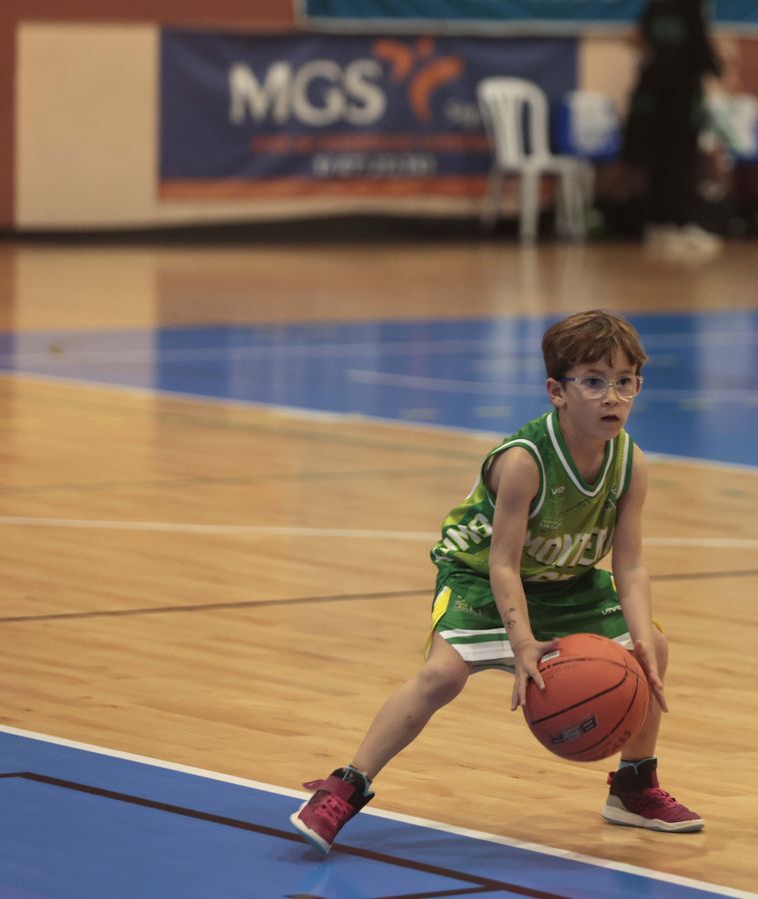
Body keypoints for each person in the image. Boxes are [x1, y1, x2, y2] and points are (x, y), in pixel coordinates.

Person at [289, 310, 702, 854]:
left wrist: (641, 634)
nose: (612, 397)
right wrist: (522, 641)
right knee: (441, 676)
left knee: (655, 650)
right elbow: (503, 563)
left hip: (566, 581)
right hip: (481, 576)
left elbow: (628, 563)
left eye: (624, 382)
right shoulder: (524, 461)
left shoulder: (632, 463)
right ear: (557, 390)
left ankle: (632, 786)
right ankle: (346, 785)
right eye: (594, 382)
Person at [623, 0, 723, 254]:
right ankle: (675, 225)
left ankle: (660, 225)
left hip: (655, 91)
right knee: (678, 160)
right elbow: (699, 45)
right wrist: (716, 68)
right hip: (678, 96)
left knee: (661, 160)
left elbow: (640, 37)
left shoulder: (655, 6)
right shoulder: (689, 6)